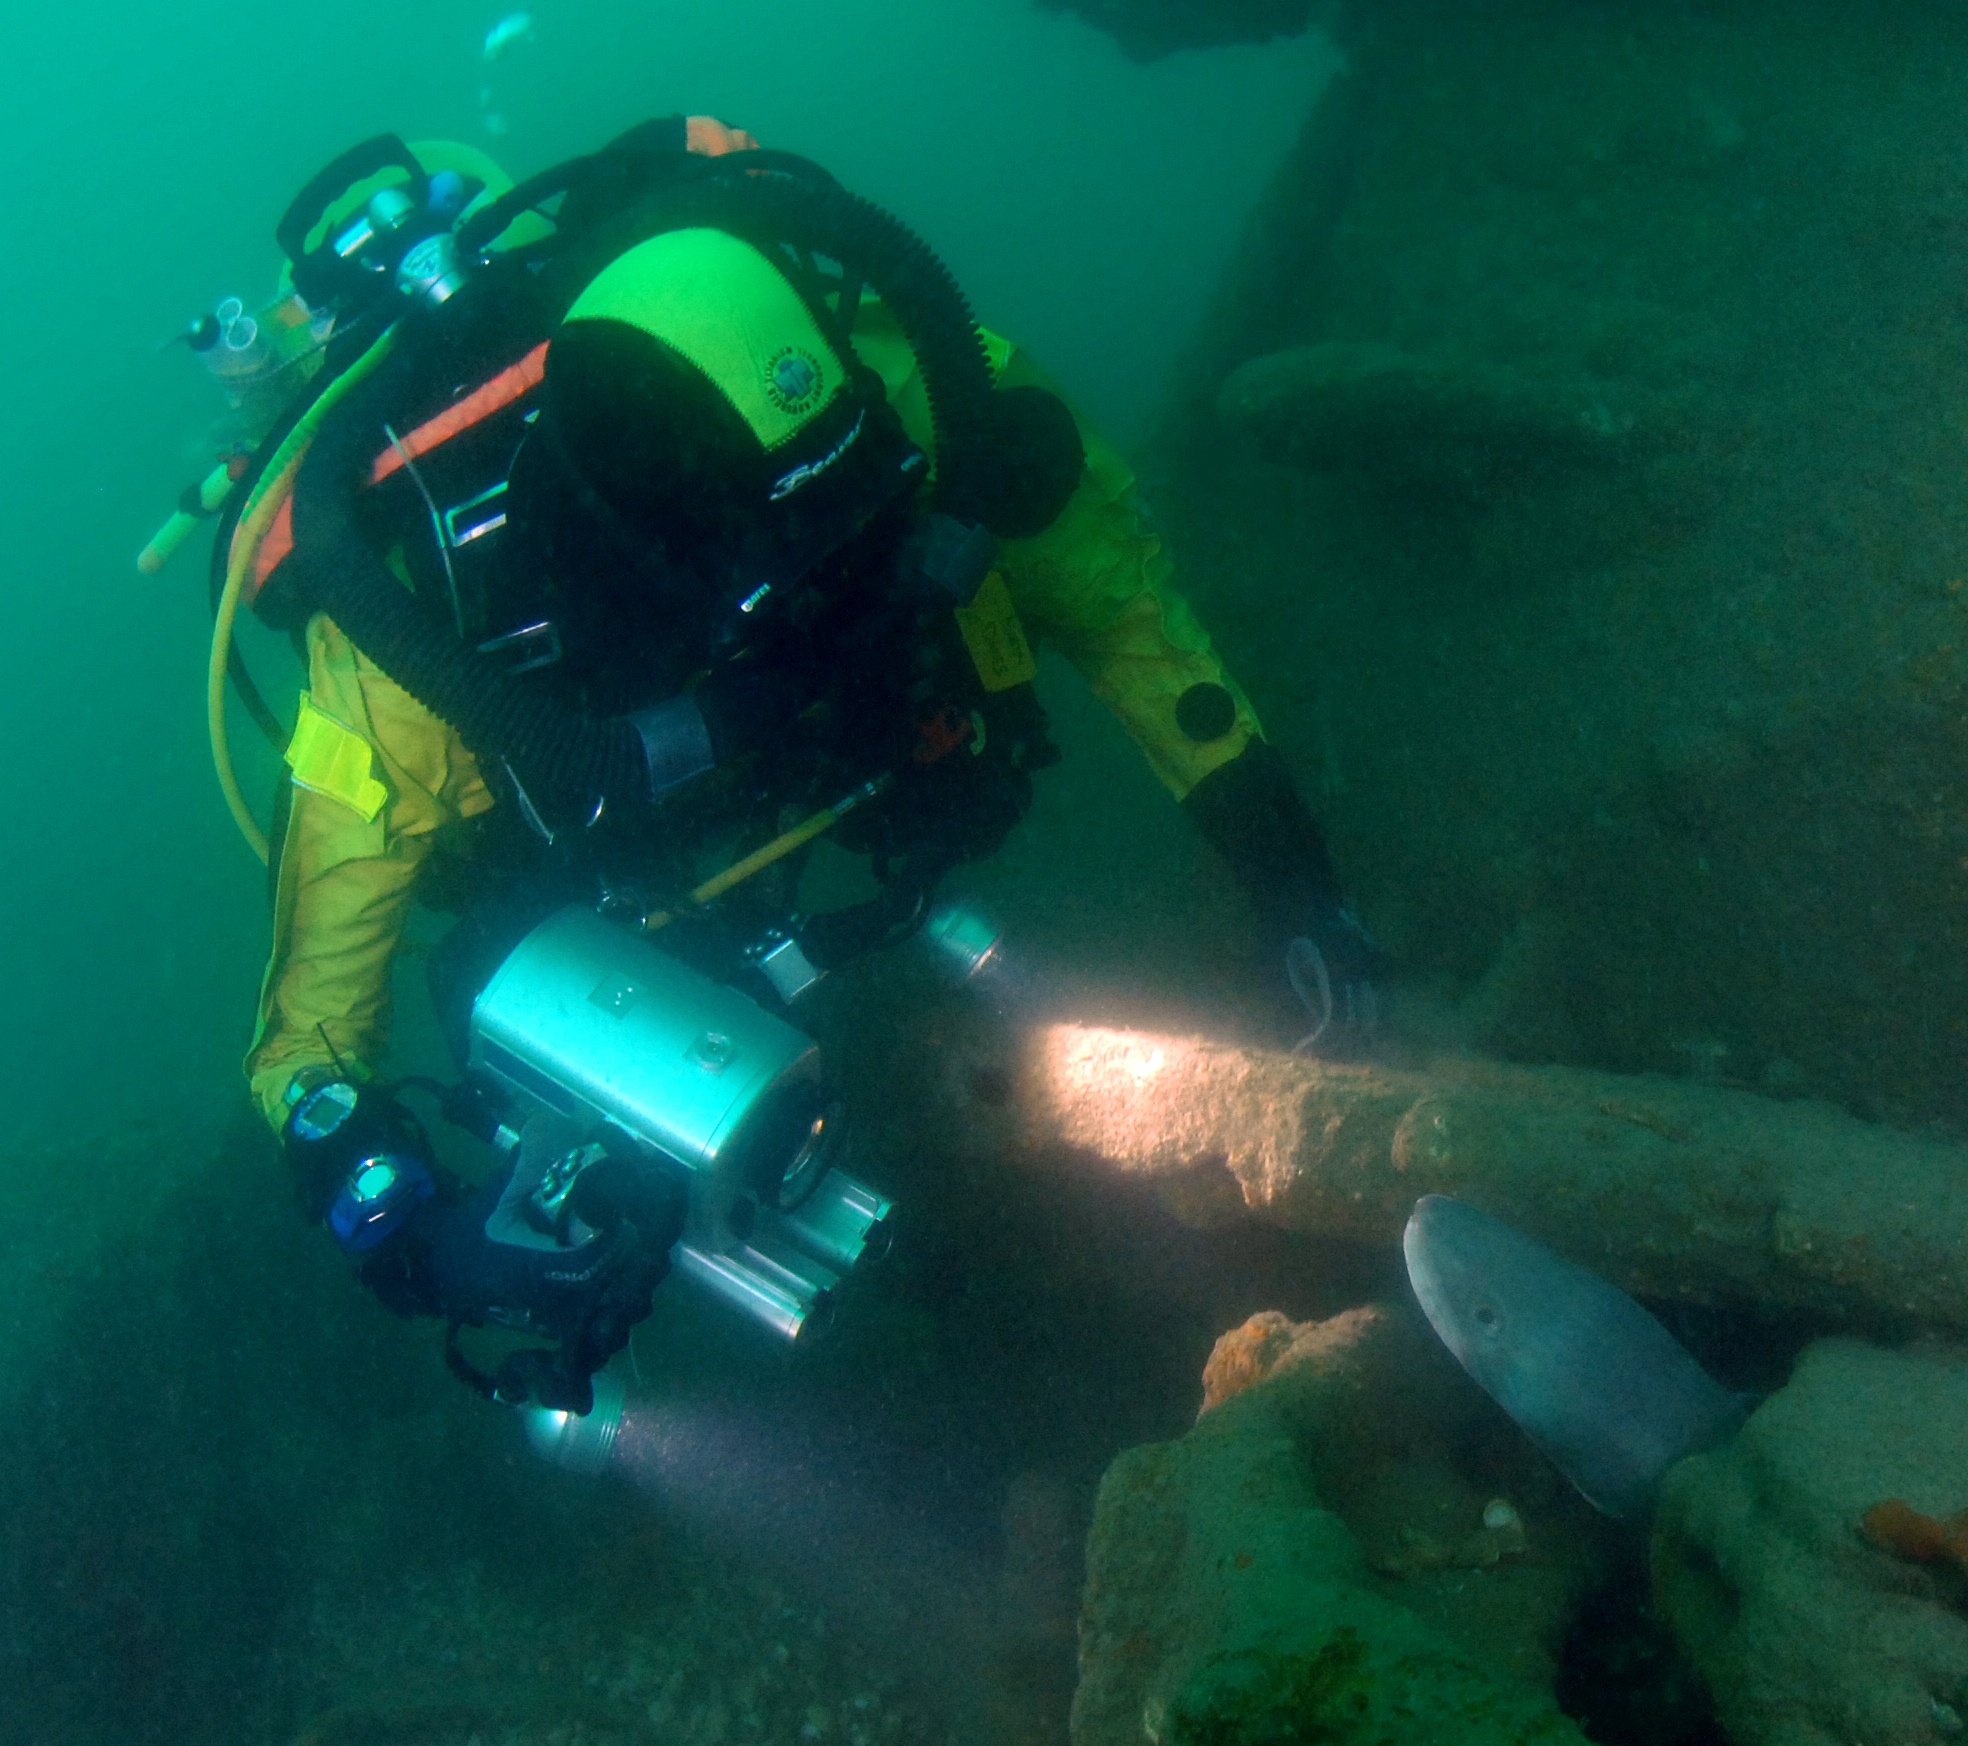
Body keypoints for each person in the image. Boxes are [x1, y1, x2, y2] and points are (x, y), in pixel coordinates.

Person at [233, 116, 1382, 1411]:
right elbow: (305, 1057)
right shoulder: (406, 641)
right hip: (671, 931)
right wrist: (424, 1237)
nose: (802, 576)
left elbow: (1120, 607)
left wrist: (1295, 879)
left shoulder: (902, 377)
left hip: (916, 797)